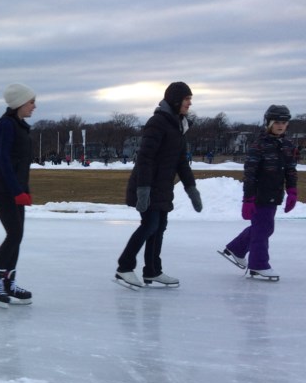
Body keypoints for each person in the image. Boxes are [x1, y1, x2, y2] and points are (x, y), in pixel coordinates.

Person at [115, 82, 202, 289]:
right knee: (150, 225)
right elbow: (145, 158)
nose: (190, 103)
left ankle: (152, 271)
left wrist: (192, 189)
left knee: (159, 227)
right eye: (187, 99)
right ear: (176, 100)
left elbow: (181, 162)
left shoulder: (179, 125)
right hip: (148, 185)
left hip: (163, 187)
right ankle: (124, 267)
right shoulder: (158, 122)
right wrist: (143, 190)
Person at [219, 105, 297, 281]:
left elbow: (291, 170)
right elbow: (250, 174)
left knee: (262, 227)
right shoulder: (259, 145)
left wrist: (292, 191)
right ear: (268, 123)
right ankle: (258, 264)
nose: (280, 125)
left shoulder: (287, 145)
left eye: (284, 122)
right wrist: (248, 199)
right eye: (277, 122)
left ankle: (237, 248)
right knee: (264, 228)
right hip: (259, 194)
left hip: (275, 193)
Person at [0, 84, 37, 308]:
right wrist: (16, 191)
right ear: (19, 104)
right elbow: (3, 160)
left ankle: (7, 281)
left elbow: (20, 163)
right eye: (31, 102)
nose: (35, 106)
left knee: (18, 235)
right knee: (14, 234)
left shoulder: (20, 126)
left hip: (16, 188)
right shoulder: (6, 124)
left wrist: (24, 190)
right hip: (2, 189)